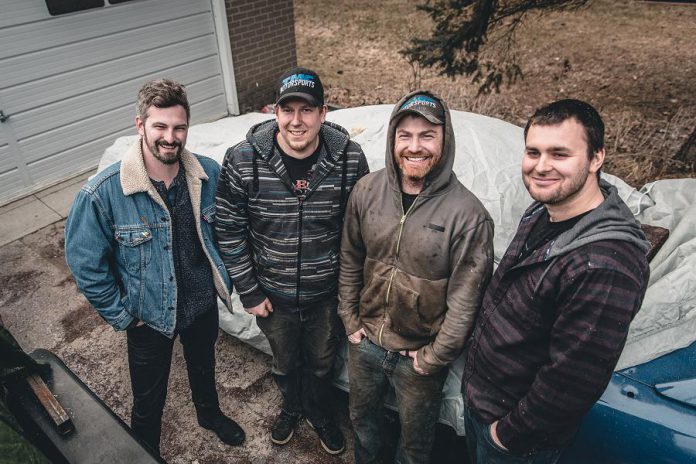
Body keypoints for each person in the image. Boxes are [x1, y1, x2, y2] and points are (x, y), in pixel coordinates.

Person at [462, 99, 651, 463]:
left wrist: (506, 435)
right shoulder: (542, 211)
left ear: (596, 158)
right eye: (533, 151)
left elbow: (572, 381)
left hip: (516, 437)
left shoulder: (604, 265)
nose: (541, 166)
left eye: (559, 154)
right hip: (485, 403)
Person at [64, 79, 244, 455]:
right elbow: (86, 266)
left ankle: (209, 415)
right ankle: (143, 451)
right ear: (140, 125)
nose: (170, 137)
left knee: (203, 368)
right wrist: (125, 316)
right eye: (160, 126)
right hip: (149, 317)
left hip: (201, 307)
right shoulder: (103, 192)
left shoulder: (207, 174)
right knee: (148, 399)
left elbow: (227, 232)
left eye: (179, 127)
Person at [215, 67, 369, 454]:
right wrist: (249, 290)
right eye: (288, 110)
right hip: (272, 295)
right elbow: (230, 229)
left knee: (321, 363)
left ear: (324, 112)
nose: (296, 121)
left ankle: (318, 411)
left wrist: (348, 298)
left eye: (307, 109)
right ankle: (291, 406)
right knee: (284, 363)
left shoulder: (350, 159)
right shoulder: (244, 159)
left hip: (326, 296)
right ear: (275, 112)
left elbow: (361, 232)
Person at [338, 91, 494, 463]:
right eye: (405, 135)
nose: (414, 146)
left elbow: (465, 300)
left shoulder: (468, 215)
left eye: (427, 135)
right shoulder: (367, 190)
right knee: (363, 423)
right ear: (393, 138)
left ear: (445, 139)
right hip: (367, 343)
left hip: (418, 358)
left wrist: (433, 357)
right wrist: (350, 319)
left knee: (415, 443)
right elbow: (349, 256)